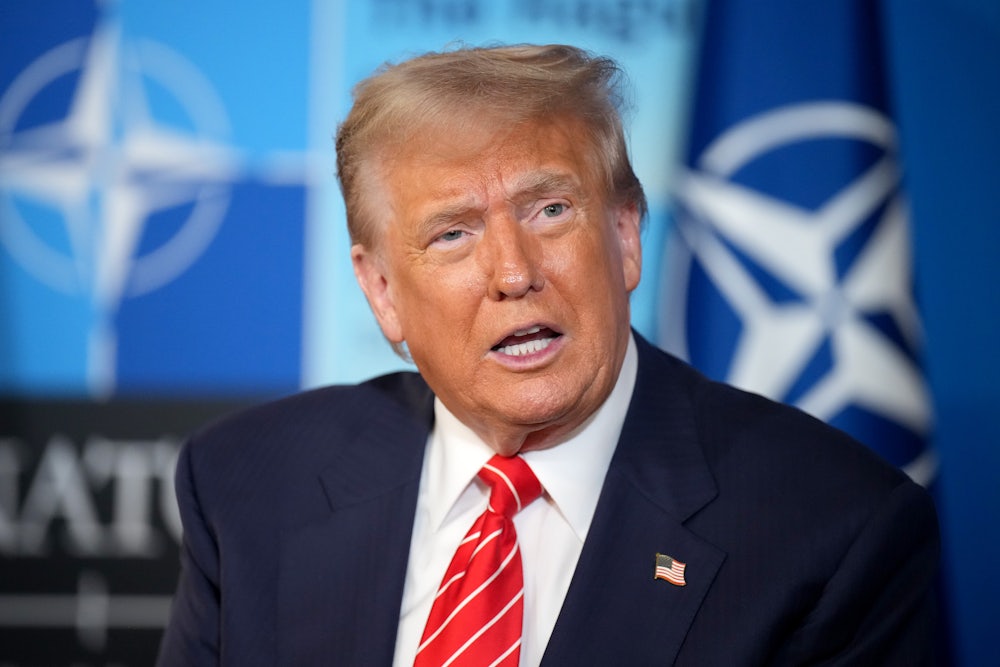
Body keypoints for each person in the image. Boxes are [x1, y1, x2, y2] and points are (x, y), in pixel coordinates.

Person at [156, 44, 939, 666]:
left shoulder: (832, 529)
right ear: (383, 291)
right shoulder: (249, 485)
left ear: (625, 236)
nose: (513, 272)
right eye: (453, 232)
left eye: (551, 209)